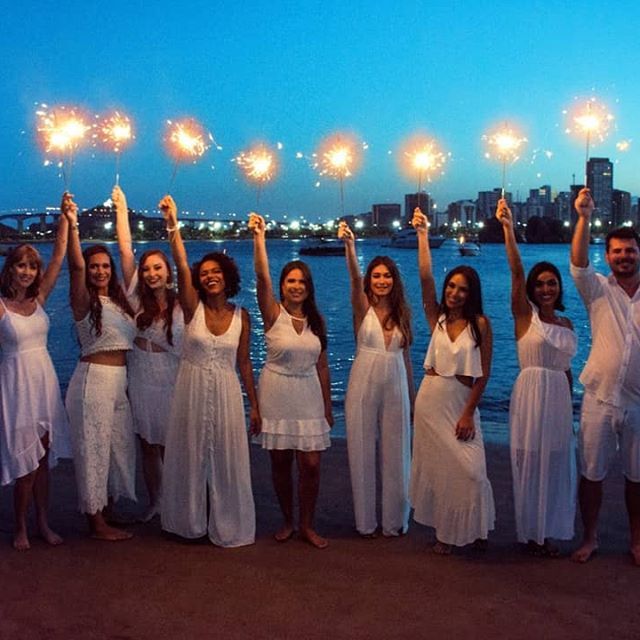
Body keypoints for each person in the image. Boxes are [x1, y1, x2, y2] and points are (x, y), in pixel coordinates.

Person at [160, 196, 258, 547]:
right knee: (191, 452)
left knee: (227, 457)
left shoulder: (242, 316)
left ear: (227, 276)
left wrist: (256, 406)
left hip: (228, 391)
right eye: (205, 275)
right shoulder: (192, 308)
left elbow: (244, 362)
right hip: (192, 387)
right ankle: (188, 522)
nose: (210, 277)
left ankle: (228, 522)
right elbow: (181, 264)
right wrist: (173, 224)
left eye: (216, 272)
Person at [409, 207, 495, 554]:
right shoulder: (438, 318)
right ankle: (446, 533)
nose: (454, 293)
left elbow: (483, 374)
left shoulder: (481, 324)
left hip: (460, 403)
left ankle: (472, 528)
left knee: (471, 470)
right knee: (442, 469)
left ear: (470, 293)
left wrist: (467, 413)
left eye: (461, 289)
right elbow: (425, 278)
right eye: (451, 287)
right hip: (430, 400)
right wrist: (422, 236)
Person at [496, 199, 577, 556]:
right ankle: (531, 533)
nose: (546, 289)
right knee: (530, 459)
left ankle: (548, 531)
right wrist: (508, 229)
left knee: (557, 461)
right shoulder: (524, 317)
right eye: (540, 284)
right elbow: (516, 271)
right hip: (531, 391)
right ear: (532, 289)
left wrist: (572, 409)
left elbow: (568, 369)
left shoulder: (567, 323)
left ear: (559, 288)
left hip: (559, 396)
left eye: (552, 283)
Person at [249, 212, 333, 548]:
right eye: (290, 281)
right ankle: (287, 520)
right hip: (277, 389)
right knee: (281, 461)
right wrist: (259, 238)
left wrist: (328, 407)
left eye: (301, 282)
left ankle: (307, 525)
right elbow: (261, 277)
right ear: (282, 287)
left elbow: (323, 367)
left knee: (311, 463)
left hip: (309, 393)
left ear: (308, 288)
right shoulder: (273, 313)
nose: (295, 286)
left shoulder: (316, 320)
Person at [570, 187, 640, 565]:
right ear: (608, 256)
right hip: (599, 397)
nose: (624, 256)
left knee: (638, 478)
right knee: (591, 475)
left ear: (638, 253)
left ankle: (637, 541)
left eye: (630, 250)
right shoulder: (597, 289)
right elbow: (578, 263)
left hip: (639, 401)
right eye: (617, 251)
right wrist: (583, 217)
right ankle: (591, 537)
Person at [63, 197, 137, 541]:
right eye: (96, 266)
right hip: (93, 381)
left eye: (105, 266)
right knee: (93, 446)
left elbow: (127, 255)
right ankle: (95, 520)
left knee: (116, 446)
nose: (100, 271)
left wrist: (122, 210)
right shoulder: (82, 300)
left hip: (119, 382)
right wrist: (73, 223)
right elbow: (75, 266)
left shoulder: (120, 302)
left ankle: (107, 508)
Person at [0, 194, 70, 550]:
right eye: (20, 265)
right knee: (25, 463)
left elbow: (59, 256)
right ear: (10, 268)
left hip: (43, 380)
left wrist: (65, 218)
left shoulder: (38, 299)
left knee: (43, 459)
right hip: (15, 385)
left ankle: (43, 522)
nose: (27, 272)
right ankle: (20, 528)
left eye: (31, 266)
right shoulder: (0, 307)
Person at [338, 221, 414, 537]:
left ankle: (395, 522)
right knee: (361, 448)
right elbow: (354, 280)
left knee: (397, 450)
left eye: (387, 276)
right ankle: (366, 522)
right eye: (377, 275)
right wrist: (350, 246)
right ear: (370, 280)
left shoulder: (402, 314)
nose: (381, 281)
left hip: (396, 379)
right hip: (364, 377)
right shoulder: (362, 307)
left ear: (394, 281)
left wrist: (413, 395)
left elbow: (407, 357)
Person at [113, 185, 183, 522]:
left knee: (170, 444)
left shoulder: (180, 304)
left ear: (167, 272)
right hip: (140, 374)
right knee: (147, 445)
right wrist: (122, 207)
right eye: (147, 269)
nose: (152, 273)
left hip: (169, 377)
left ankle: (177, 500)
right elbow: (125, 250)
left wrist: (172, 222)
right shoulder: (135, 297)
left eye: (158, 268)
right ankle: (156, 501)